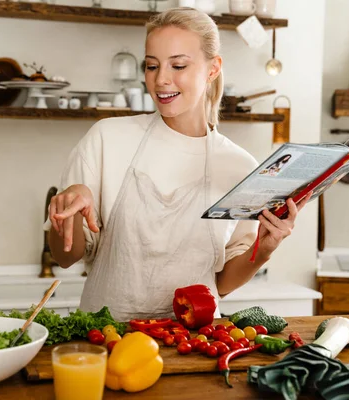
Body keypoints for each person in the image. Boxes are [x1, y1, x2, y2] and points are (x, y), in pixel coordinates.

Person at [45, 7, 312, 322]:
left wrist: (264, 250)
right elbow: (66, 257)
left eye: (179, 65)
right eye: (152, 66)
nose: (161, 80)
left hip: (193, 345)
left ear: (212, 69)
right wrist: (68, 211)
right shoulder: (107, 139)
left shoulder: (240, 167)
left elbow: (222, 284)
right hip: (106, 342)